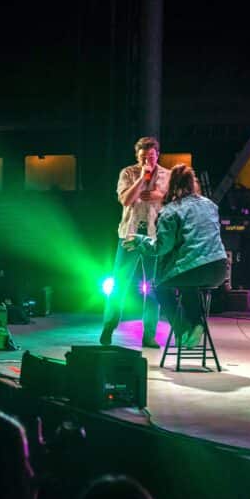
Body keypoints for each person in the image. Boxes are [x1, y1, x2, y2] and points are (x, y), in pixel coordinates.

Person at [127, 164, 227, 349]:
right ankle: (197, 324)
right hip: (219, 268)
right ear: (192, 183)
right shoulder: (211, 205)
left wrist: (140, 241)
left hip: (193, 269)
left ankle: (182, 330)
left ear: (172, 186)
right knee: (188, 284)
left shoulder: (170, 211)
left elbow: (161, 247)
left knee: (160, 286)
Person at [100, 136, 170, 349]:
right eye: (143, 157)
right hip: (129, 235)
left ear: (157, 154)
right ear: (137, 156)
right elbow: (125, 200)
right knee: (119, 284)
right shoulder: (128, 173)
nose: (147, 160)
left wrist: (159, 195)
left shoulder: (167, 175)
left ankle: (149, 335)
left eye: (151, 156)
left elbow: (173, 201)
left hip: (154, 237)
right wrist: (141, 178)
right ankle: (109, 327)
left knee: (153, 287)